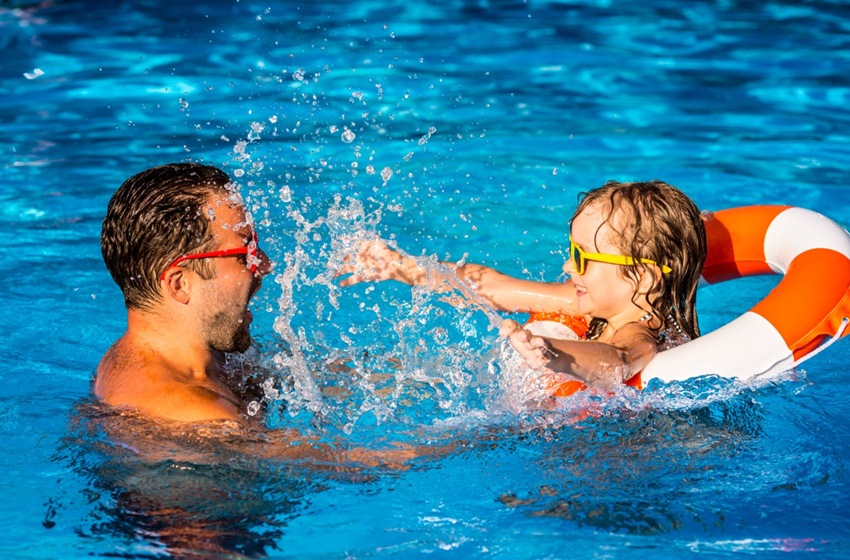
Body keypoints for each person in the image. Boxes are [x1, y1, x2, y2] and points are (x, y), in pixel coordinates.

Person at [337, 180, 707, 392]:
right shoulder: (590, 304)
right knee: (358, 371)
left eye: (582, 258)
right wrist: (402, 267)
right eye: (571, 250)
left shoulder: (641, 334)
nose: (567, 265)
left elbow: (621, 361)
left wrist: (553, 353)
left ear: (643, 277)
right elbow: (495, 288)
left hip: (590, 450)